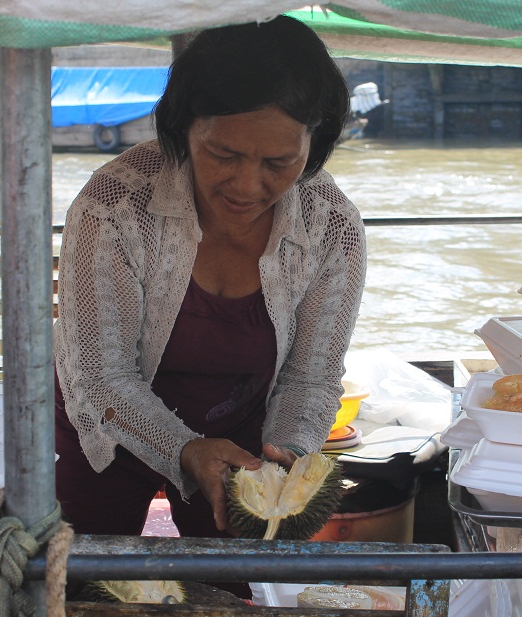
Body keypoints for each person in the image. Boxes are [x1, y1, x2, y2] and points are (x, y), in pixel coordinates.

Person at [52, 13, 367, 574]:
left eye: (279, 163)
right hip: (105, 422)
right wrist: (184, 449)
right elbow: (100, 374)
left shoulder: (331, 226)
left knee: (230, 588)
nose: (247, 186)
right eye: (223, 154)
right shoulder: (115, 206)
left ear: (314, 145)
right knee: (80, 581)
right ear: (183, 129)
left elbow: (310, 377)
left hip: (244, 433)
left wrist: (283, 459)